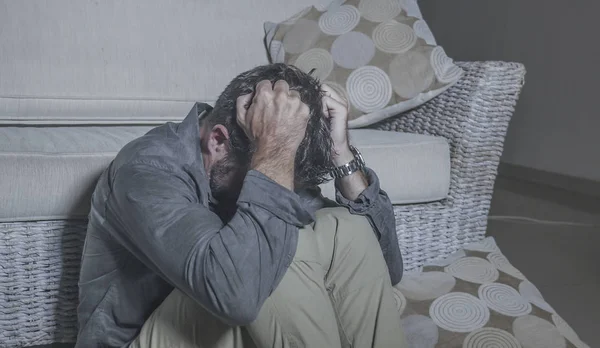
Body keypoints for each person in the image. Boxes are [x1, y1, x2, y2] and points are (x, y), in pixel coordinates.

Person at [76, 63, 406, 348]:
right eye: (263, 171)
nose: (282, 182)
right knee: (275, 251)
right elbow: (238, 293)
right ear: (217, 142)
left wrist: (342, 155)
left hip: (230, 320)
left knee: (344, 228)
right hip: (145, 339)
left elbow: (385, 269)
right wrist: (274, 149)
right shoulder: (147, 169)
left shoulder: (265, 160)